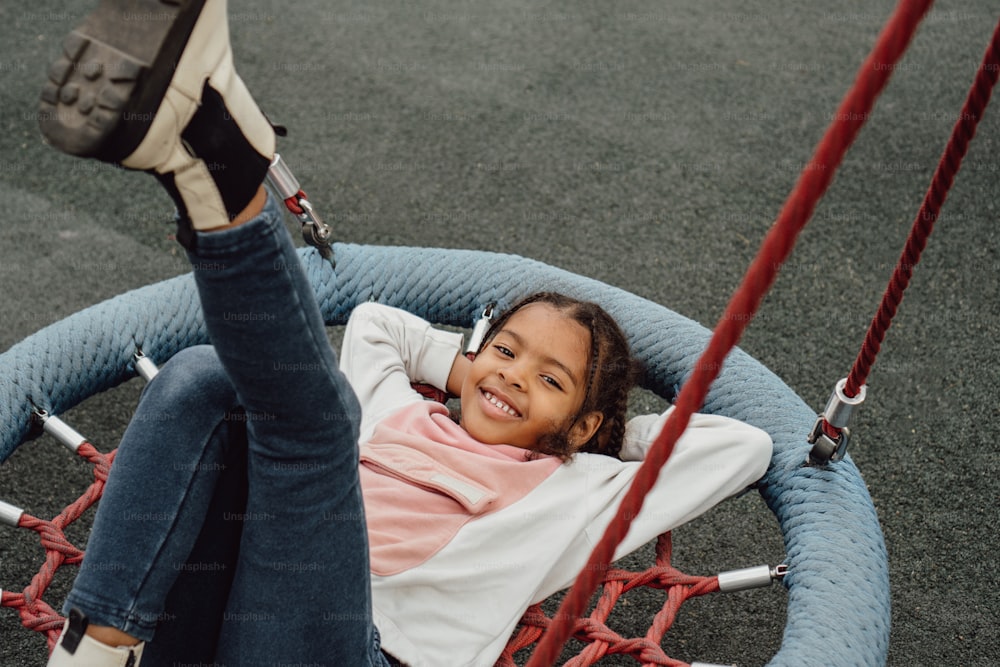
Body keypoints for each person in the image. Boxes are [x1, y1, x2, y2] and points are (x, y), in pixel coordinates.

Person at [39, 2, 773, 666]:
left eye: (550, 379)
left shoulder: (583, 490)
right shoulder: (402, 411)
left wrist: (598, 435)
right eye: (508, 351)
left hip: (365, 654)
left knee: (319, 430)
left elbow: (742, 447)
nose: (515, 375)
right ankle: (96, 649)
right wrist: (470, 371)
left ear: (579, 423)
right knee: (202, 376)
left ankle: (217, 163)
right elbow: (377, 324)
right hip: (228, 627)